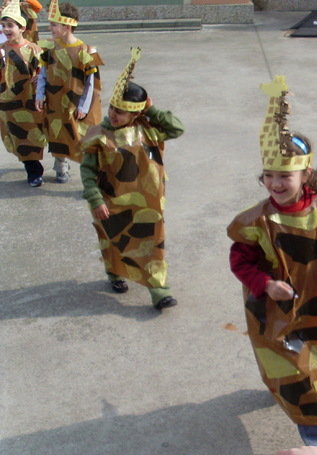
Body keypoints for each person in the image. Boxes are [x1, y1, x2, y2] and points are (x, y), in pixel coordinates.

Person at [227, 75, 317, 451]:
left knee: (316, 367)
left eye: (284, 175)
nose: (274, 183)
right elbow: (240, 260)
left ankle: (295, 398)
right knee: (297, 376)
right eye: (268, 175)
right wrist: (265, 284)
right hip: (275, 308)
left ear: (306, 175)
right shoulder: (255, 221)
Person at [80, 47, 184, 310]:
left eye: (122, 111)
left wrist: (152, 110)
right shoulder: (99, 134)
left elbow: (177, 128)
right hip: (110, 201)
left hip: (148, 202)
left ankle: (159, 290)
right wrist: (94, 199)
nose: (114, 114)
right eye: (113, 108)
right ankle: (114, 272)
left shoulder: (148, 130)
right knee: (113, 240)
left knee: (152, 243)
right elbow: (88, 171)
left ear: (136, 113)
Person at [35, 0, 101, 183]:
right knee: (57, 135)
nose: (50, 28)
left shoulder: (85, 51)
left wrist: (84, 106)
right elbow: (43, 73)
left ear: (67, 26)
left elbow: (91, 83)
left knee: (82, 139)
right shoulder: (50, 48)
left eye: (53, 24)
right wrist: (40, 94)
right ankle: (61, 167)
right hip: (55, 102)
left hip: (77, 104)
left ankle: (91, 176)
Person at [0, 0, 46, 186]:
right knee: (18, 137)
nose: (6, 29)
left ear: (21, 27)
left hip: (31, 102)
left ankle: (60, 164)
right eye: (3, 26)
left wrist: (41, 77)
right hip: (8, 103)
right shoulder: (1, 51)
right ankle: (33, 171)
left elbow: (44, 73)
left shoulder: (33, 50)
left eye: (10, 25)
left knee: (36, 134)